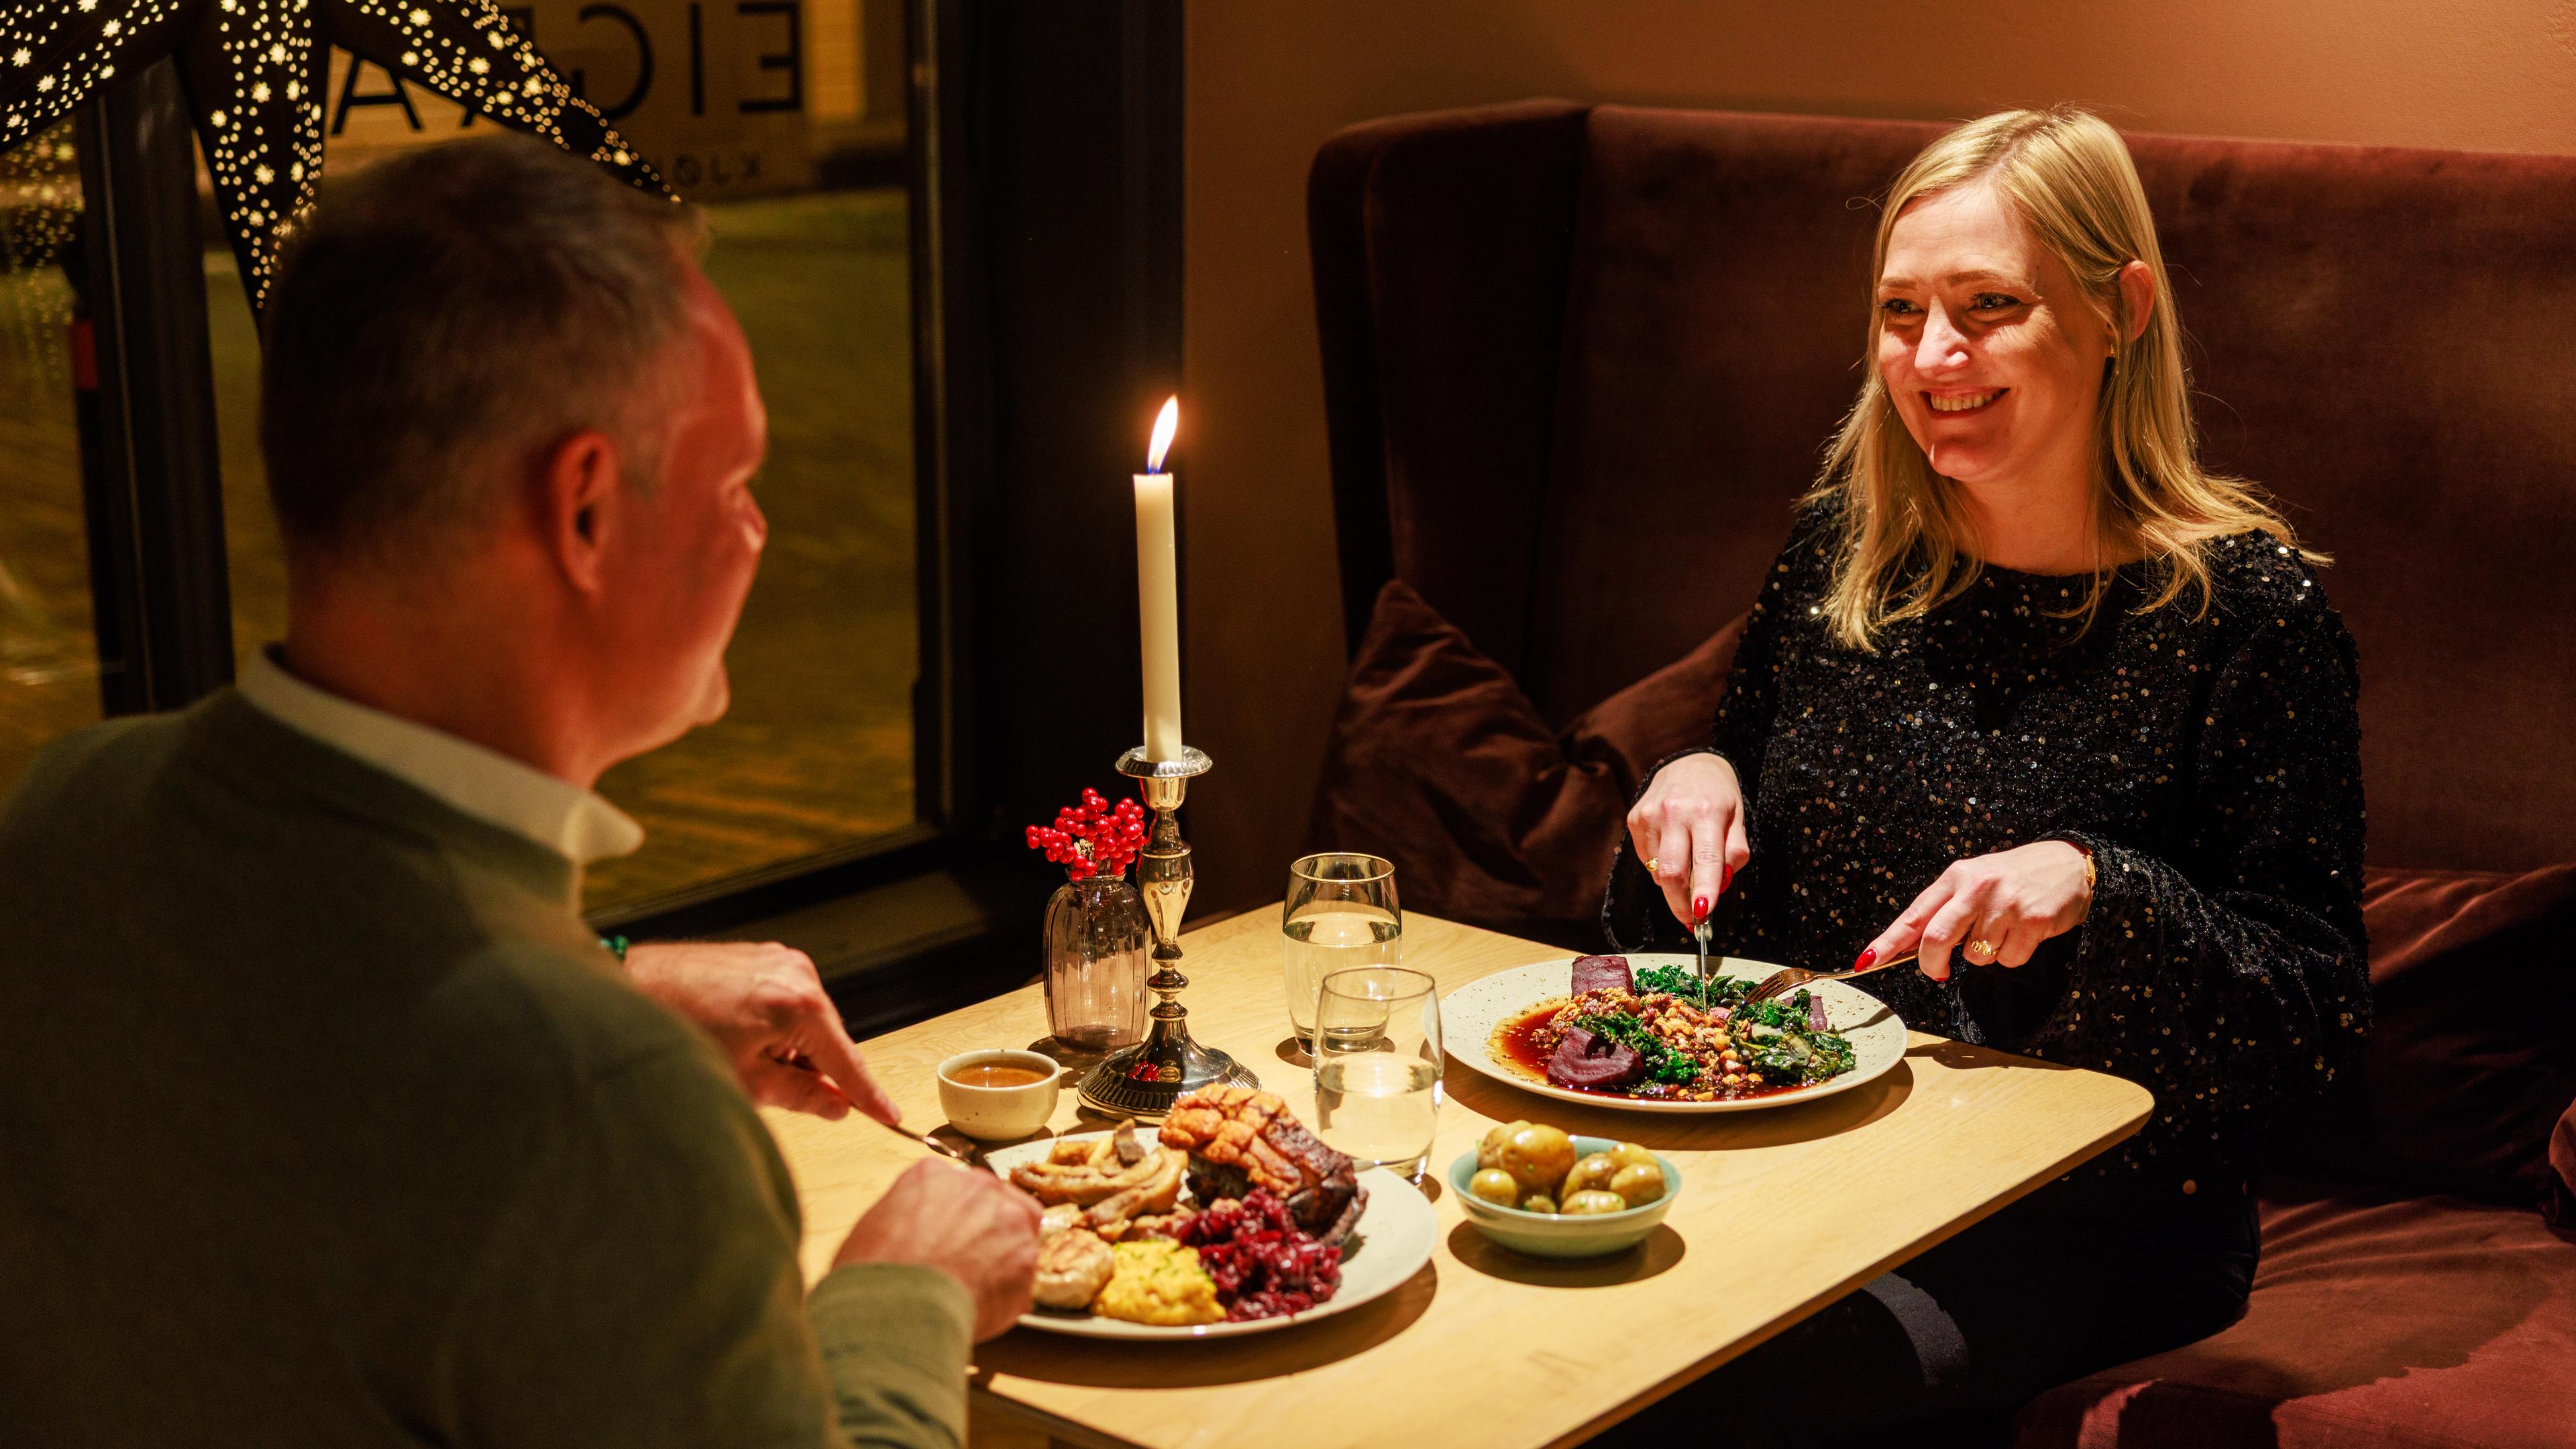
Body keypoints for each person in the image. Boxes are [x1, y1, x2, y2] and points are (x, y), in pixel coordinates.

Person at [0, 134, 1038, 1447]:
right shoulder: (603, 1118)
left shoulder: (64, 816)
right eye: (734, 481)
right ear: (586, 512)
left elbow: (307, 1020)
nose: (759, 531)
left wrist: (603, 981)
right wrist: (906, 1294)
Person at [1595, 107, 2367, 1446]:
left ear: (2121, 309)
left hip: (2095, 1218)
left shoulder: (2250, 617)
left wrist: (2099, 892)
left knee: (1717, 1379)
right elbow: (1692, 944)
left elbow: (2315, 1027)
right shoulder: (1849, 552)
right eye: (1901, 312)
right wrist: (1695, 781)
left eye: (1989, 306)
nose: (1934, 356)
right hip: (1812, 1161)